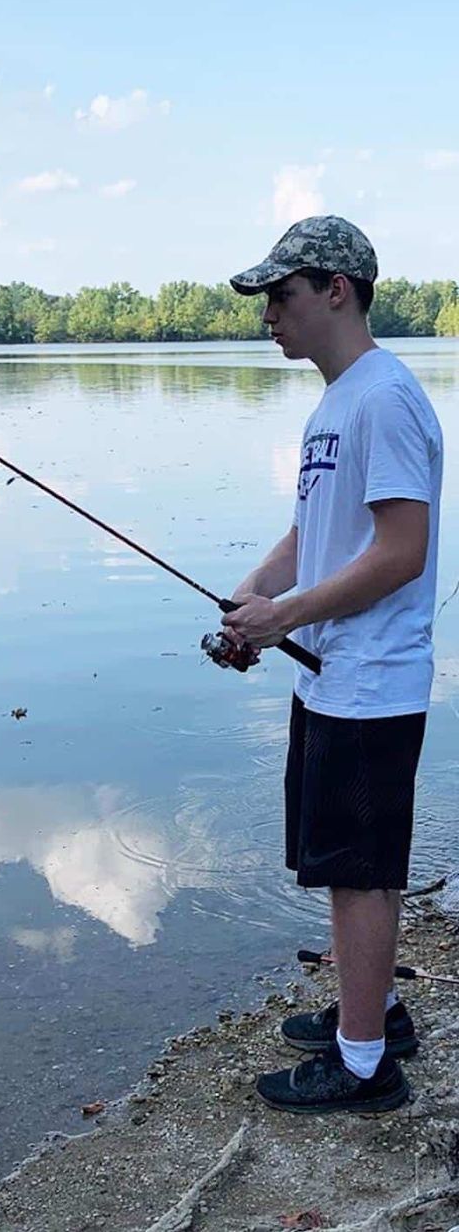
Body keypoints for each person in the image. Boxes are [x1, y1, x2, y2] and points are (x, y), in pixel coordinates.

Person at [222, 215, 443, 1114]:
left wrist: (289, 616)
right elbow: (310, 534)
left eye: (282, 294)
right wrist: (250, 608)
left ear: (335, 290)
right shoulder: (337, 402)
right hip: (332, 672)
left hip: (373, 678)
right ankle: (376, 1012)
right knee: (351, 866)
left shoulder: (384, 397)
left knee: (359, 872)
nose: (269, 313)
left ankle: (363, 1066)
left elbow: (402, 551)